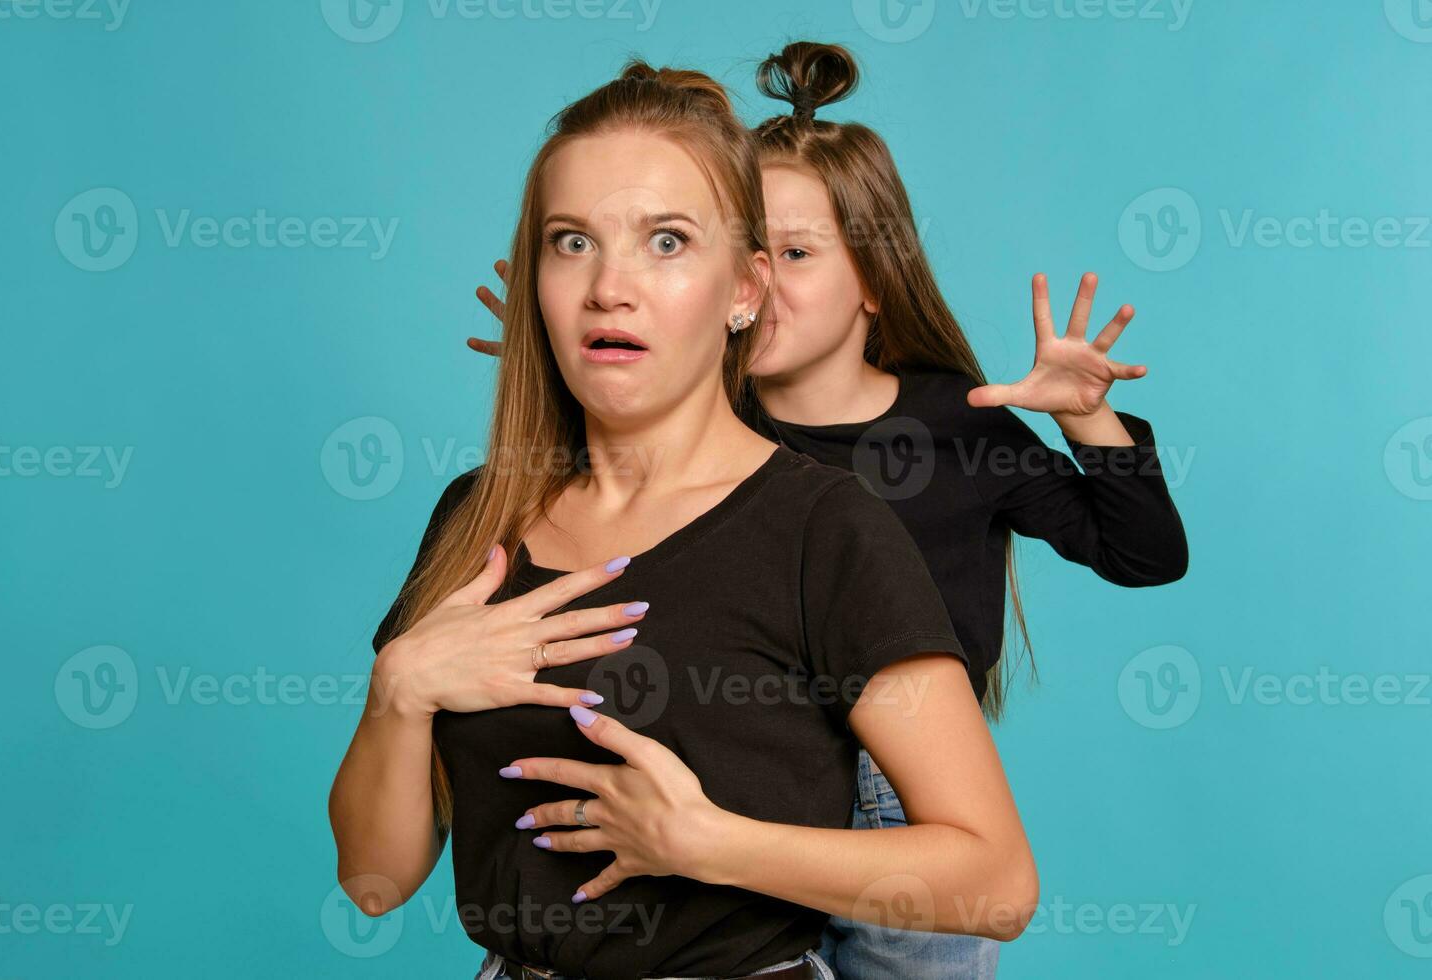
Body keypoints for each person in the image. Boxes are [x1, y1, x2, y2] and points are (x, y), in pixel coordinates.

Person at [469, 41, 1187, 980]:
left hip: (903, 800)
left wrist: (1088, 418)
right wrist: (586, 350)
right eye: (735, 245)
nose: (757, 278)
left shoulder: (957, 424)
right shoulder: (719, 435)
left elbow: (1143, 552)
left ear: (875, 282)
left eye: (795, 254)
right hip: (751, 771)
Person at [330, 59, 1037, 980]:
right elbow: (375, 883)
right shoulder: (478, 517)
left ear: (744, 292)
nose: (608, 288)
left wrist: (707, 843)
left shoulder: (826, 530)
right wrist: (400, 687)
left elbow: (997, 882)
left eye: (666, 242)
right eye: (571, 242)